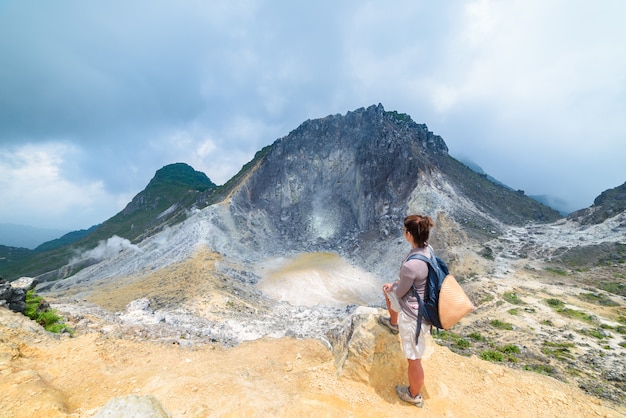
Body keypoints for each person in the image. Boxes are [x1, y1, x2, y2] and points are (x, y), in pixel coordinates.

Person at [379, 214, 435, 408]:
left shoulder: (411, 265)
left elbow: (401, 291)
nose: (403, 232)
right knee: (391, 288)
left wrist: (392, 286)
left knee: (413, 358)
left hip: (413, 317)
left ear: (409, 234)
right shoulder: (428, 250)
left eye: (405, 230)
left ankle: (414, 394)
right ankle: (393, 323)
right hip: (423, 305)